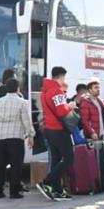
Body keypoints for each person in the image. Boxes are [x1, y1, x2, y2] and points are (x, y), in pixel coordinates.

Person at [0, 78, 32, 199]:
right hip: (15, 138)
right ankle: (14, 192)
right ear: (18, 89)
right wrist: (31, 135)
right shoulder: (22, 102)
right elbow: (26, 121)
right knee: (16, 165)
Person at [36, 66, 74, 201]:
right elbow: (62, 111)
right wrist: (71, 105)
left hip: (49, 130)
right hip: (59, 130)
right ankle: (46, 182)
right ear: (61, 76)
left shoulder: (44, 91)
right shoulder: (56, 91)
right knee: (69, 158)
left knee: (57, 159)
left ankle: (58, 190)